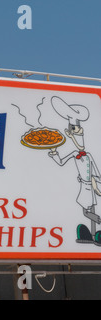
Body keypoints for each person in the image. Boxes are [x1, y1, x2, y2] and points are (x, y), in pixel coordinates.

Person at [48, 96, 101, 245]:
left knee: (89, 209)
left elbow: (95, 171)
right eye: (73, 130)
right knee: (85, 209)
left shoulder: (88, 155)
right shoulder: (74, 154)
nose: (75, 133)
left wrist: (96, 184)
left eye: (77, 130)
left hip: (91, 185)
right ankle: (92, 230)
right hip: (83, 186)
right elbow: (61, 162)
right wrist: (54, 154)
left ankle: (95, 230)